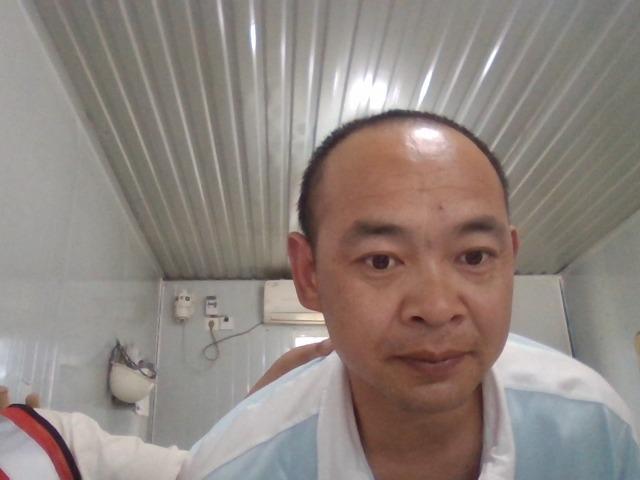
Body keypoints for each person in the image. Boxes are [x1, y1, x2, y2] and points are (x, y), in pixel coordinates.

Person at [178, 110, 640, 480]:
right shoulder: (234, 467)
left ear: (510, 259)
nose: (437, 310)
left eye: (474, 256)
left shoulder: (594, 426)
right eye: (381, 261)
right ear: (309, 274)